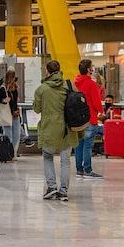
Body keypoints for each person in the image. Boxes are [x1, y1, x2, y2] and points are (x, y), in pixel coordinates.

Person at [34, 60, 79, 202]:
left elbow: (37, 109)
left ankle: (52, 186)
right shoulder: (69, 85)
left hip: (49, 128)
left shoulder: (42, 89)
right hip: (67, 128)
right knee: (65, 160)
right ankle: (64, 191)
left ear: (47, 71)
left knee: (48, 157)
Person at [73, 59, 104, 179]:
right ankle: (88, 170)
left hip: (78, 119)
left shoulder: (75, 83)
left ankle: (79, 170)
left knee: (79, 145)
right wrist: (101, 111)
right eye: (92, 66)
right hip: (90, 118)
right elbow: (96, 102)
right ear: (88, 69)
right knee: (88, 146)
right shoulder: (91, 84)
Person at [0, 70, 21, 157]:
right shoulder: (3, 88)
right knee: (8, 135)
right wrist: (3, 100)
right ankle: (7, 153)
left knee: (16, 135)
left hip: (15, 114)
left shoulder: (14, 88)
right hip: (7, 114)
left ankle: (13, 153)